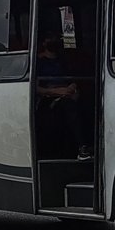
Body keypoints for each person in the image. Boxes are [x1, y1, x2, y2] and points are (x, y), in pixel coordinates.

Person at [36, 31, 92, 161]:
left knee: (88, 105)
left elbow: (72, 79)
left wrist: (72, 89)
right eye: (51, 38)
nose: (54, 40)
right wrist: (59, 91)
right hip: (48, 99)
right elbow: (37, 88)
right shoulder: (39, 62)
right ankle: (82, 148)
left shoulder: (63, 60)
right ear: (44, 42)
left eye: (56, 37)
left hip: (68, 94)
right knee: (69, 107)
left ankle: (91, 145)